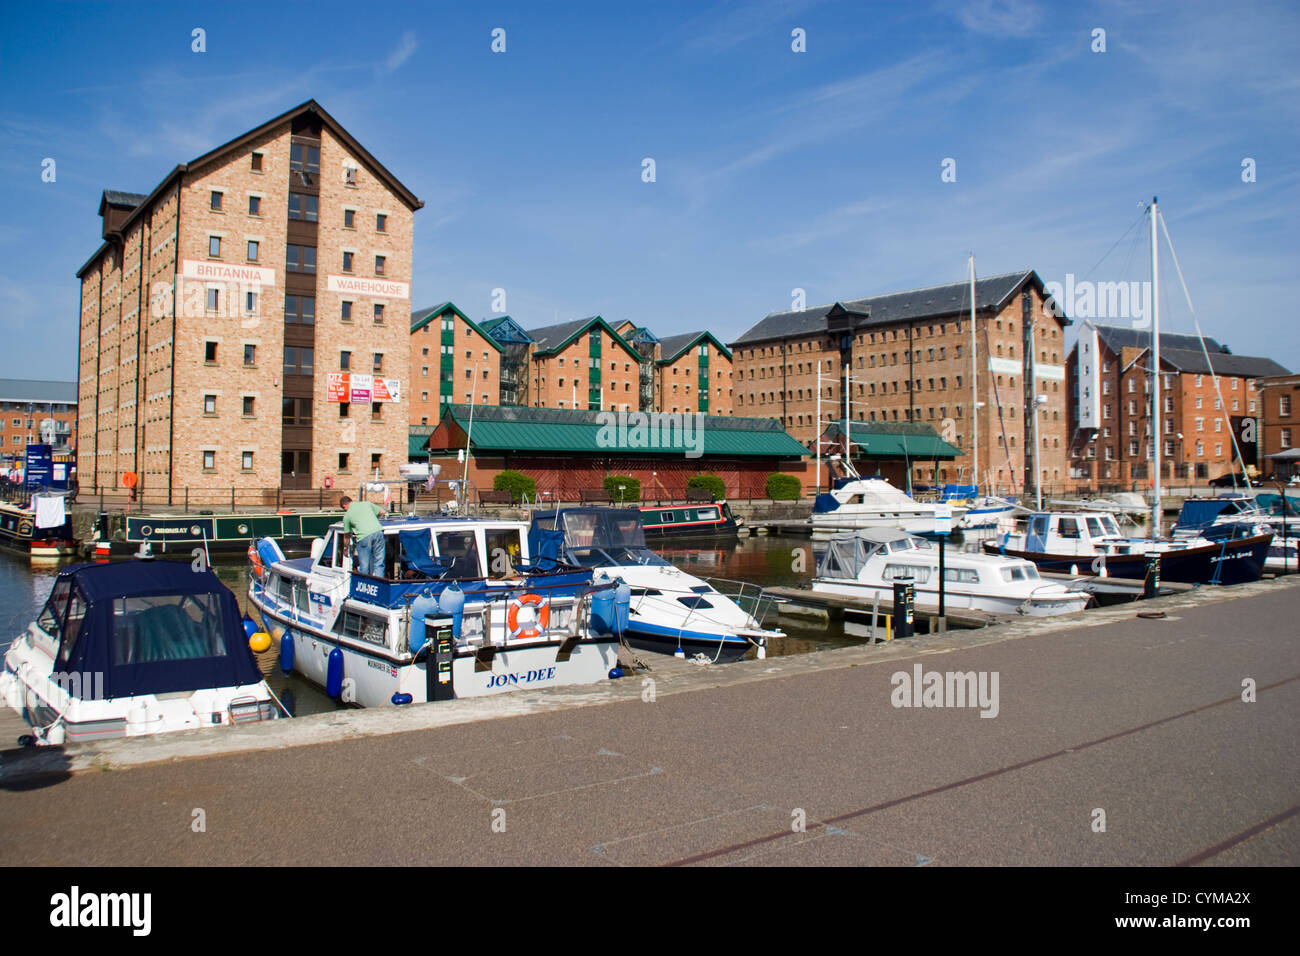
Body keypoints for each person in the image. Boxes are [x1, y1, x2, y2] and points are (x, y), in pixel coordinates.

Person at [340, 495, 385, 577]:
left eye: (344, 509)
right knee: (379, 562)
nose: (345, 510)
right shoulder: (366, 504)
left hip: (364, 537)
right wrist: (375, 520)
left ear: (344, 506)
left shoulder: (347, 516)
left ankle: (365, 584)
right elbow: (382, 511)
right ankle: (379, 584)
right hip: (378, 532)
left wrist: (345, 548)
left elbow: (347, 536)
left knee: (364, 566)